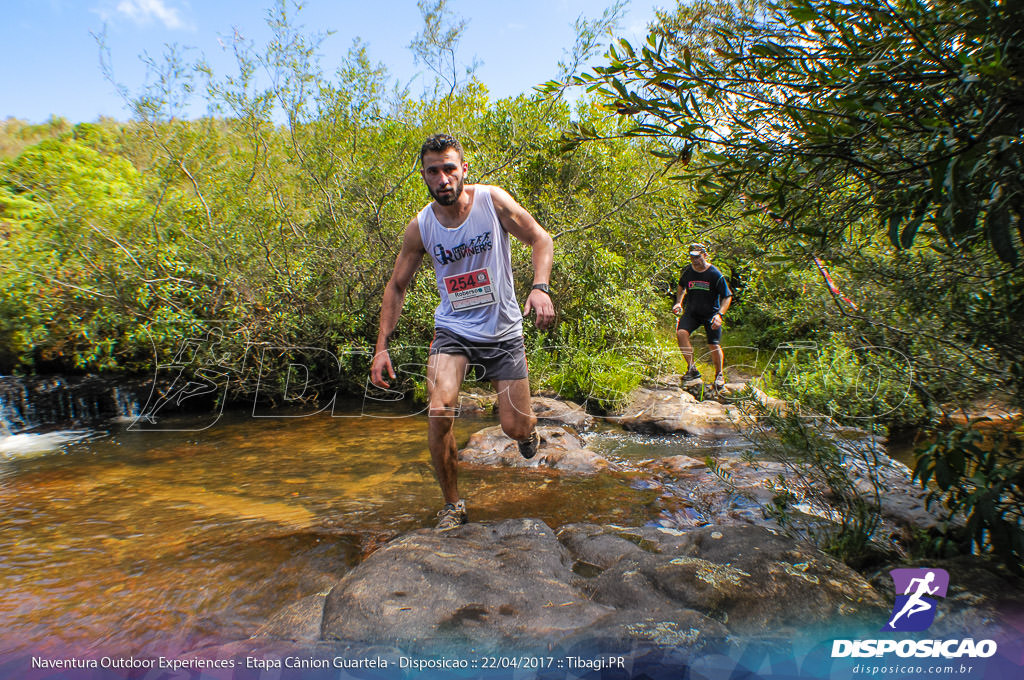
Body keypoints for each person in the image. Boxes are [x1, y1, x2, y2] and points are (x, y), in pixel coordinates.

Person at [370, 133, 556, 530]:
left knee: (515, 426)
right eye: (433, 171)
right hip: (453, 329)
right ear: (423, 176)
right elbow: (396, 286)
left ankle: (528, 433)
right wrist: (381, 347)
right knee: (439, 409)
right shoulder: (420, 227)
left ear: (463, 170)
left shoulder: (492, 201)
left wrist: (539, 287)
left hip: (503, 330)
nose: (443, 179)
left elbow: (541, 239)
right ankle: (453, 505)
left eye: (450, 169)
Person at [672, 243, 732, 390]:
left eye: (698, 257)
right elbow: (681, 287)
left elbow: (727, 296)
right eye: (692, 257)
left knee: (713, 344)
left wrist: (720, 315)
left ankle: (719, 375)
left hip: (711, 314)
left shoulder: (714, 274)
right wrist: (678, 303)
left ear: (705, 255)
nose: (695, 260)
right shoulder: (688, 272)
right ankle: (692, 369)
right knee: (681, 333)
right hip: (692, 312)